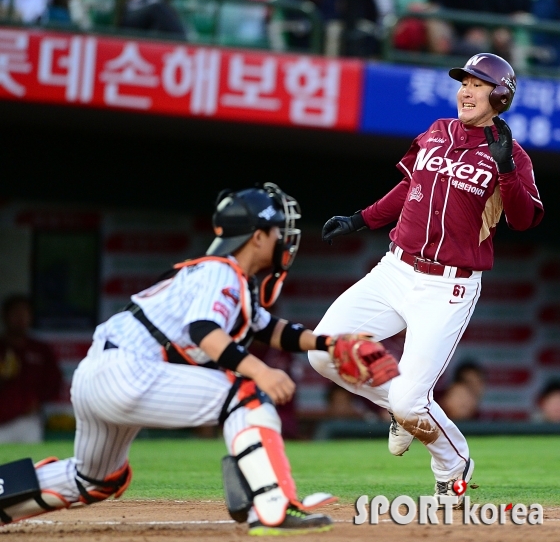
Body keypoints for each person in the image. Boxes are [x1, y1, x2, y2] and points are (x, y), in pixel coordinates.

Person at [0, 183, 353, 535]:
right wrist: (260, 371)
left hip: (96, 375)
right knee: (245, 395)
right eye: (277, 230)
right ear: (256, 237)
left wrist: (331, 344)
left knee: (93, 478)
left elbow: (275, 330)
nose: (284, 239)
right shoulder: (221, 271)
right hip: (129, 371)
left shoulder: (221, 277)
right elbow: (203, 329)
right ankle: (272, 506)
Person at [308, 53, 544, 509]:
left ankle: (451, 465)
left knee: (410, 403)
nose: (466, 90)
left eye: (478, 84)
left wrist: (508, 172)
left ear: (499, 95)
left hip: (447, 287)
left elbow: (525, 218)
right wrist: (359, 219)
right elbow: (408, 187)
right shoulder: (437, 131)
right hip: (396, 269)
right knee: (324, 351)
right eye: (464, 82)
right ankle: (401, 403)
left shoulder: (512, 154)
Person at [0, 294, 63, 443]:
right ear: (5, 316)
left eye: (25, 313)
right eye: (15, 313)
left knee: (29, 462)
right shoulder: (1, 347)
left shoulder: (40, 349)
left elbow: (54, 381)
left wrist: (38, 401)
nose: (20, 318)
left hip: (27, 419)